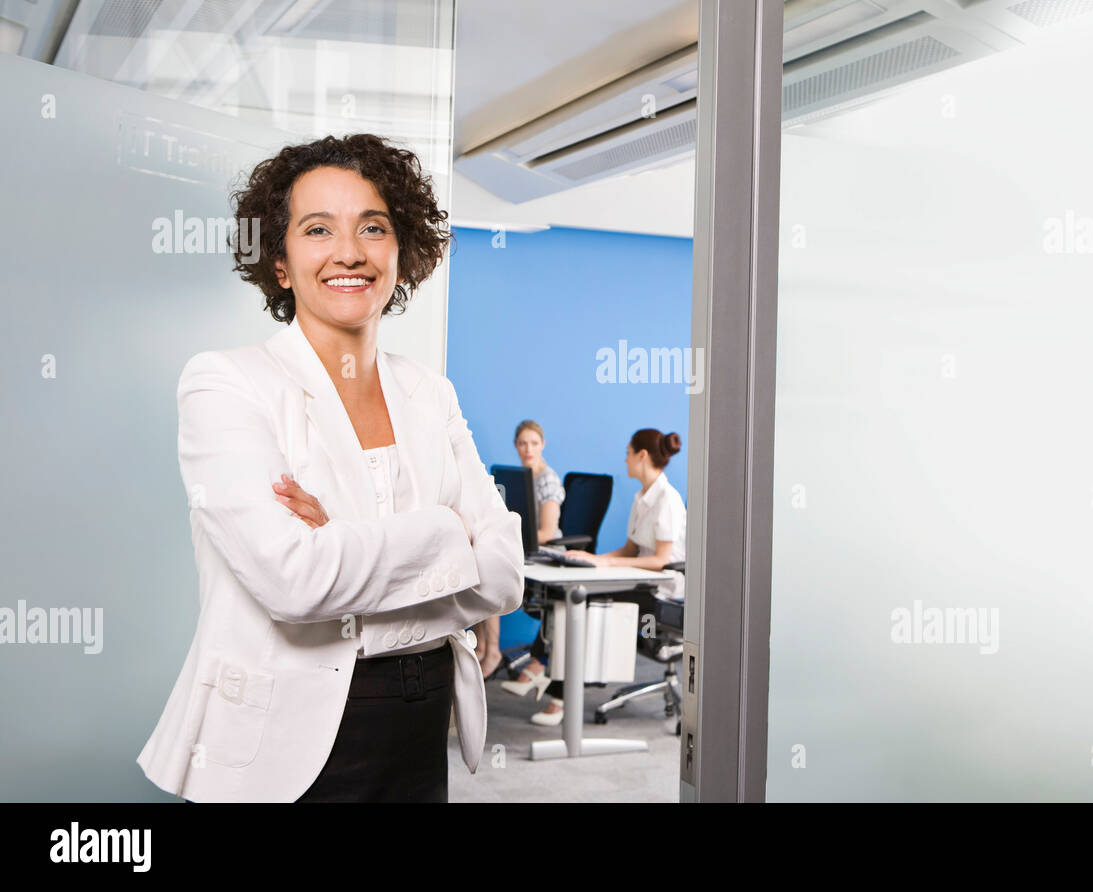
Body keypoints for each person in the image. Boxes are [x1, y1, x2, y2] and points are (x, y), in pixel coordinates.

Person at [135, 133, 525, 803]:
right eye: (318, 229)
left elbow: (503, 575)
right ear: (280, 263)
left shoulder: (431, 393)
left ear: (401, 252)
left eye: (373, 227)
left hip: (422, 723)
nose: (349, 252)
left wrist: (339, 535)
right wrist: (447, 532)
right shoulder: (227, 383)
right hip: (284, 739)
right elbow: (295, 582)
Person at [501, 428, 685, 725]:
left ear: (642, 456)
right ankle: (540, 665)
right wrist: (594, 559)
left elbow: (662, 561)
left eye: (628, 453)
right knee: (572, 593)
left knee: (583, 599)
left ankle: (558, 696)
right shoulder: (642, 498)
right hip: (639, 579)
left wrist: (608, 565)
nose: (624, 460)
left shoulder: (668, 500)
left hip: (662, 591)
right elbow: (630, 550)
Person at [473, 419, 563, 678]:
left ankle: (492, 652)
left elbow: (547, 532)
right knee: (479, 565)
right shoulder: (519, 476)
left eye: (534, 443)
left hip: (546, 551)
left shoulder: (548, 480)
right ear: (515, 445)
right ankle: (481, 647)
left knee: (491, 572)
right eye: (523, 443)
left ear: (543, 444)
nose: (528, 449)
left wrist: (509, 541)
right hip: (523, 548)